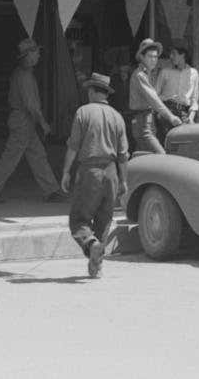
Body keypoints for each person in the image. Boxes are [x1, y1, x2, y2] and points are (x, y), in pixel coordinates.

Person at [0, 38, 65, 204]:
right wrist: (43, 123)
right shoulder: (24, 76)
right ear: (29, 55)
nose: (39, 55)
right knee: (11, 157)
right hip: (23, 120)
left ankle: (51, 190)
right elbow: (31, 104)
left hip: (24, 121)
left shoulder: (23, 73)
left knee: (37, 155)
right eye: (36, 52)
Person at [60, 73, 128, 278]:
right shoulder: (117, 116)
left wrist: (65, 172)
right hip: (111, 172)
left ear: (91, 91)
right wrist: (124, 181)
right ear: (106, 93)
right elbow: (123, 155)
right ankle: (96, 265)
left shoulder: (83, 112)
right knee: (104, 220)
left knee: (78, 219)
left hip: (90, 171)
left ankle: (91, 244)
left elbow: (73, 147)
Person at [128, 39, 181, 154]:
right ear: (142, 57)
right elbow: (154, 100)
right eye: (150, 56)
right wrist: (171, 117)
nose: (154, 60)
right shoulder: (140, 75)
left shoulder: (148, 75)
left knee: (144, 162)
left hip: (148, 123)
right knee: (162, 158)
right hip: (143, 125)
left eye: (156, 57)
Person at [155, 42, 199, 143]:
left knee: (181, 145)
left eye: (174, 53)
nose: (171, 57)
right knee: (165, 143)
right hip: (166, 111)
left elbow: (194, 99)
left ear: (182, 55)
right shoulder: (165, 72)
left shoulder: (194, 73)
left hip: (184, 113)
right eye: (170, 54)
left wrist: (191, 118)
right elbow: (155, 95)